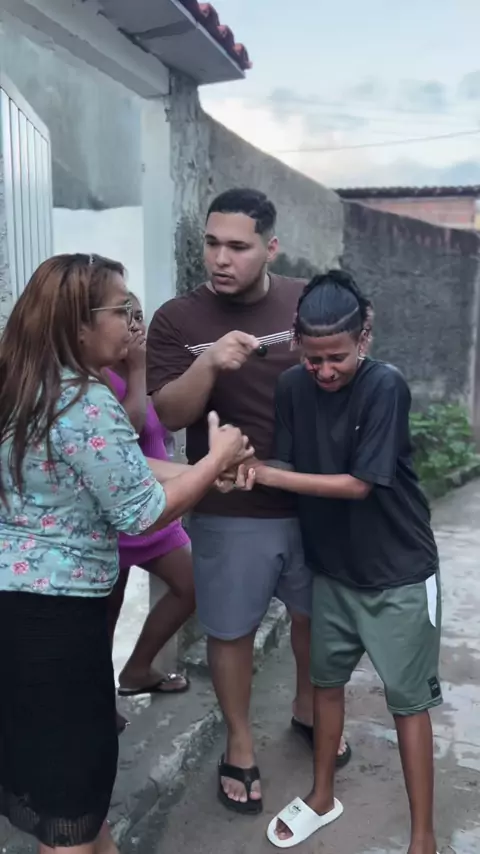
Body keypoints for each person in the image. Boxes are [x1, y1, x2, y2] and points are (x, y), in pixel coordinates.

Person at [0, 253, 252, 854]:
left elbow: (115, 465)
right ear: (80, 323)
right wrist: (216, 460)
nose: (133, 322)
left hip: (17, 608)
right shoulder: (86, 400)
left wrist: (200, 473)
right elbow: (140, 511)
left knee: (64, 789)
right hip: (58, 624)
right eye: (122, 310)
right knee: (70, 803)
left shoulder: (26, 384)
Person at [146, 188, 350, 815]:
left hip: (314, 501)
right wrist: (210, 365)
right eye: (212, 243)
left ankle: (306, 708)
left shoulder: (308, 301)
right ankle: (239, 742)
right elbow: (168, 413)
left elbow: (347, 373)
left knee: (314, 620)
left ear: (271, 247)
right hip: (231, 508)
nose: (220, 258)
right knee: (231, 630)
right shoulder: (178, 320)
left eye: (237, 246)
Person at [250, 270, 441, 853]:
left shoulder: (386, 387)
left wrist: (269, 476)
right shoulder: (291, 387)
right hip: (332, 569)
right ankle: (321, 797)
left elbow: (359, 484)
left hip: (398, 573)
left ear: (365, 338)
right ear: (296, 344)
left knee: (408, 703)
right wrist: (240, 468)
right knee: (325, 685)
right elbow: (288, 464)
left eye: (337, 357)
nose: (325, 371)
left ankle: (423, 837)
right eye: (313, 359)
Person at [105, 294, 194, 732]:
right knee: (107, 615)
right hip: (118, 515)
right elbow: (128, 433)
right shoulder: (99, 375)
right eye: (125, 316)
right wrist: (137, 370)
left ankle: (138, 667)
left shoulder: (151, 363)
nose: (134, 325)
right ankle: (97, 701)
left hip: (156, 508)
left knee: (192, 587)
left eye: (138, 315)